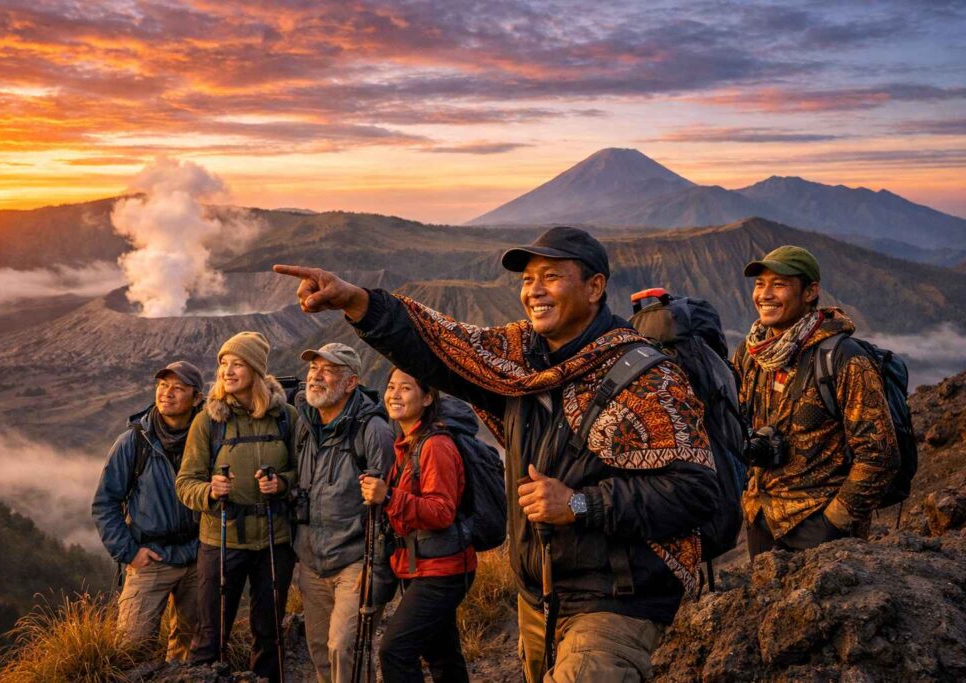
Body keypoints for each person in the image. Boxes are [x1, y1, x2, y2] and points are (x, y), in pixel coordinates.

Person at [274, 226, 720, 682]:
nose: (534, 291)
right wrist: (357, 302)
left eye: (551, 276)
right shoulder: (520, 361)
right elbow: (443, 344)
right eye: (528, 280)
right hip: (540, 595)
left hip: (618, 600)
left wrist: (581, 504)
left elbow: (697, 491)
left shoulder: (647, 378)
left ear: (594, 287)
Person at [734, 245, 899, 559]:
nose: (765, 294)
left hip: (819, 526)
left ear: (810, 292)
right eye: (760, 284)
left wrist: (834, 521)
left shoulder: (844, 358)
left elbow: (879, 455)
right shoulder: (750, 353)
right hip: (761, 518)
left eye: (779, 284)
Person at [175, 331, 298, 680]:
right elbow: (185, 484)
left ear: (257, 371)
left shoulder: (286, 416)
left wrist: (282, 483)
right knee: (211, 633)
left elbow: (303, 472)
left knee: (270, 630)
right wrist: (210, 490)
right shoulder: (208, 422)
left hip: (275, 541)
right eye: (224, 364)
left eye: (238, 364)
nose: (227, 371)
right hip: (221, 540)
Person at [360, 368, 476, 682]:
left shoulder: (434, 446)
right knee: (441, 654)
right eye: (391, 387)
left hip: (442, 571)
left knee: (395, 651)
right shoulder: (407, 442)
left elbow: (441, 512)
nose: (394, 394)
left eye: (406, 388)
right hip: (420, 565)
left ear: (426, 398)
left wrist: (388, 497)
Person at [292, 342, 395, 683]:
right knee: (320, 647)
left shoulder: (372, 429)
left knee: (344, 647)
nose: (316, 377)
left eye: (328, 370)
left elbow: (387, 504)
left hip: (356, 561)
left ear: (351, 383)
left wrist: (375, 567)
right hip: (312, 559)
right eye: (313, 369)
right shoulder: (304, 424)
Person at [92, 360, 204, 661]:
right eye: (162, 386)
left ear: (197, 399)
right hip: (150, 558)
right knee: (131, 650)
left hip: (197, 556)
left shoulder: (208, 437)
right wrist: (129, 552)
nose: (167, 393)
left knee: (192, 649)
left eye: (178, 389)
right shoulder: (133, 442)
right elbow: (105, 503)